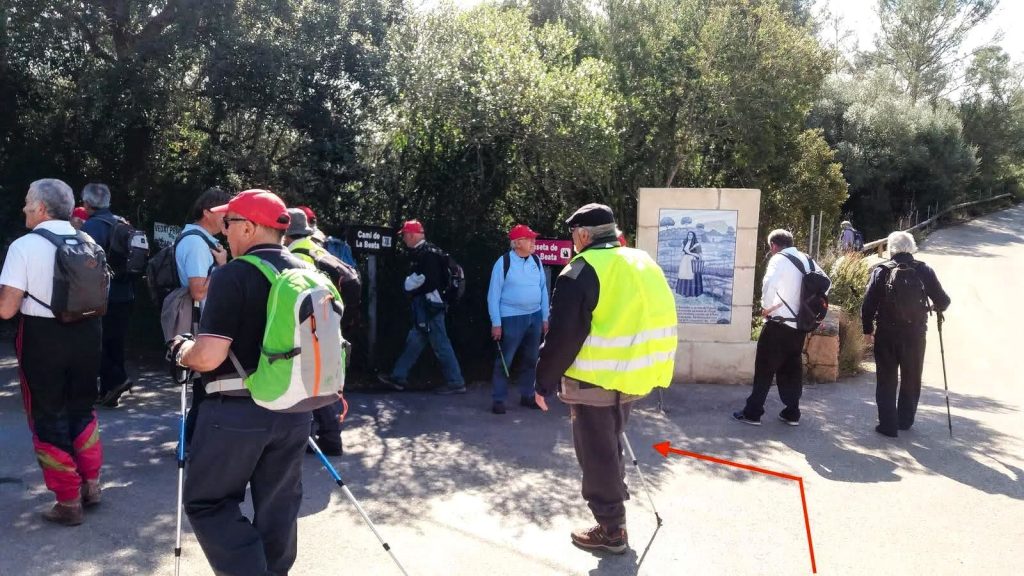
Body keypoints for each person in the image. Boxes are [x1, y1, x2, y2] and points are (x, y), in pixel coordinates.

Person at [169, 189, 312, 575]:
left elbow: (209, 356)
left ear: (249, 228)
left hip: (235, 412)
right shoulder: (306, 273)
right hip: (296, 410)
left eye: (229, 224)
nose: (223, 234)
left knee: (208, 503)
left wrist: (181, 351)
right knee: (278, 507)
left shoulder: (234, 275)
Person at [535, 203, 677, 555]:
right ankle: (615, 504)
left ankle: (612, 530)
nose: (573, 241)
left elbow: (564, 335)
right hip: (633, 375)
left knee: (596, 454)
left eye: (573, 235)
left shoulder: (581, 269)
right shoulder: (642, 261)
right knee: (609, 446)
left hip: (594, 381)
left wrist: (543, 381)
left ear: (583, 235)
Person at [0, 179, 104, 526]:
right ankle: (92, 484)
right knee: (82, 407)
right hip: (89, 333)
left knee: (48, 414)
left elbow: (7, 310)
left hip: (44, 338)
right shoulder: (87, 239)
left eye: (28, 202)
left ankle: (68, 500)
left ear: (42, 208)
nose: (24, 208)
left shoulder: (24, 246)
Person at [733, 229, 830, 426]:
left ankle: (753, 413)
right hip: (800, 325)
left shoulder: (779, 259)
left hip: (778, 324)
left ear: (773, 246)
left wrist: (766, 308)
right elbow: (827, 284)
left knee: (764, 368)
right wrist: (806, 306)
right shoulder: (807, 260)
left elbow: (769, 285)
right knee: (792, 369)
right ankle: (792, 413)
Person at [861, 231, 950, 438]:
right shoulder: (924, 270)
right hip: (915, 334)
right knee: (911, 377)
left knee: (886, 378)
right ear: (912, 247)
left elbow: (868, 305)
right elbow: (944, 301)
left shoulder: (881, 270)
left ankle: (888, 425)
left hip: (886, 334)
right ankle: (905, 420)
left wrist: (867, 330)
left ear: (891, 248)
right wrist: (935, 307)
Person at [284, 207, 355, 456]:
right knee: (322, 381)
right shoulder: (317, 248)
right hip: (327, 323)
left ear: (286, 234)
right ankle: (328, 438)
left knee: (310, 383)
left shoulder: (298, 255)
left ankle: (327, 439)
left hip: (311, 326)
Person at [377, 220, 466, 394]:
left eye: (404, 235)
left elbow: (431, 281)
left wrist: (411, 288)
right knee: (415, 340)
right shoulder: (429, 251)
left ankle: (456, 382)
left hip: (430, 306)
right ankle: (398, 377)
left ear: (411, 235)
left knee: (440, 344)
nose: (403, 239)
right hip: (431, 304)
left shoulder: (427, 254)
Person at [175, 187, 230, 443]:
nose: (226, 219)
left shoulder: (201, 240)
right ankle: (191, 442)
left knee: (204, 387)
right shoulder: (197, 243)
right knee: (203, 387)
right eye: (222, 213)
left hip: (203, 321)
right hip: (201, 322)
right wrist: (223, 267)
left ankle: (193, 440)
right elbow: (198, 291)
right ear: (207, 211)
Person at [81, 183, 135, 408]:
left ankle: (116, 380)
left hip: (102, 294)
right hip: (127, 291)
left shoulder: (91, 227)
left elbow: (84, 263)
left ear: (86, 203)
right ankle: (110, 392)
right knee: (116, 342)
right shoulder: (121, 222)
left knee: (93, 342)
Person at [486, 224, 549, 414]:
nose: (534, 243)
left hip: (535, 316)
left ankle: (527, 395)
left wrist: (545, 317)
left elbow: (543, 291)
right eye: (529, 239)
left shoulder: (536, 261)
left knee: (532, 358)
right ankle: (499, 399)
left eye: (533, 239)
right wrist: (496, 323)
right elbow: (493, 295)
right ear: (517, 243)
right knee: (505, 359)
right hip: (511, 317)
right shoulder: (503, 262)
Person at [674, 231, 704, 297]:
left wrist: (689, 253)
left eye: (691, 235)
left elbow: (700, 255)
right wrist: (683, 253)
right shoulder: (685, 243)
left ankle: (692, 293)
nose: (689, 236)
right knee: (683, 274)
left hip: (692, 262)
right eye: (688, 235)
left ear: (693, 236)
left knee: (691, 275)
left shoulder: (696, 244)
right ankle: (683, 292)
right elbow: (682, 252)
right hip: (684, 262)